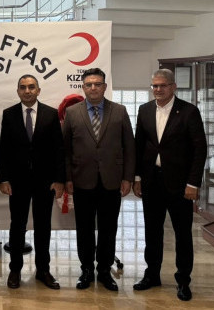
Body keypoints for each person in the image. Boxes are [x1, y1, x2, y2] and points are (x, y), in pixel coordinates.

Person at [132, 69, 207, 302]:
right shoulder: (144, 110)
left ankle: (183, 280)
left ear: (173, 87)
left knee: (182, 234)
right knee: (152, 232)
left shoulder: (189, 111)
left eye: (162, 85)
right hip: (151, 182)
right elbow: (138, 146)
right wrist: (137, 178)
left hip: (180, 185)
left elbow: (200, 149)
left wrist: (193, 183)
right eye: (154, 86)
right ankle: (152, 275)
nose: (158, 89)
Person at [62, 67, 134, 292]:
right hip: (82, 180)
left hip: (111, 181)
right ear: (83, 87)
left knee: (108, 229)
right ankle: (86, 269)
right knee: (83, 228)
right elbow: (65, 150)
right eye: (89, 84)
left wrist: (128, 178)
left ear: (104, 86)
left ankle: (104, 270)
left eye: (97, 84)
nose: (93, 88)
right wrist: (67, 178)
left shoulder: (119, 111)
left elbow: (129, 147)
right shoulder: (72, 112)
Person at [0, 74, 65, 290]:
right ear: (18, 91)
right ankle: (15, 270)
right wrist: (4, 178)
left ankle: (43, 270)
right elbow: (4, 149)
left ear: (38, 90)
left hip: (45, 181)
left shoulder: (50, 114)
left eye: (31, 87)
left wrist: (59, 180)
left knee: (43, 226)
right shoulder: (9, 114)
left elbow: (58, 149)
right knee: (17, 226)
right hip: (17, 182)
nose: (27, 91)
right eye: (23, 87)